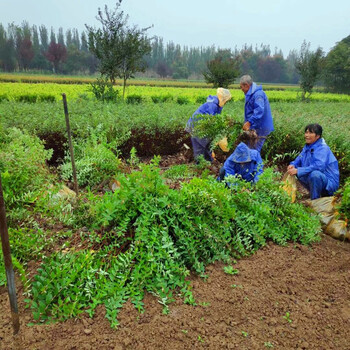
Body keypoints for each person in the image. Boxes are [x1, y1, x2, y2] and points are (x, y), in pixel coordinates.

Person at [287, 123, 339, 200]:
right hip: (317, 180)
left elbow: (318, 167)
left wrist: (298, 170)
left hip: (328, 183)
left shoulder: (322, 148)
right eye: (306, 132)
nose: (307, 135)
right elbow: (298, 159)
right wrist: (292, 165)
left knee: (314, 174)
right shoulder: (307, 147)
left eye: (310, 133)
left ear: (317, 136)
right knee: (297, 170)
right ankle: (314, 193)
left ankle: (315, 200)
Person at [186, 88, 231, 162]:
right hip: (197, 127)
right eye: (226, 101)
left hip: (201, 128)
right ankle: (200, 167)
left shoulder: (217, 105)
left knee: (206, 146)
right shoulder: (212, 105)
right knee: (200, 149)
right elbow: (211, 121)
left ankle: (208, 164)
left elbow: (216, 120)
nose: (225, 103)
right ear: (223, 98)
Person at [240, 75, 274, 152]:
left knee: (254, 150)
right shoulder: (250, 94)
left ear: (246, 85)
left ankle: (257, 164)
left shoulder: (258, 94)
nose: (241, 89)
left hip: (261, 127)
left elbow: (259, 111)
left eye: (241, 87)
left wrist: (249, 122)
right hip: (255, 126)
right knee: (250, 148)